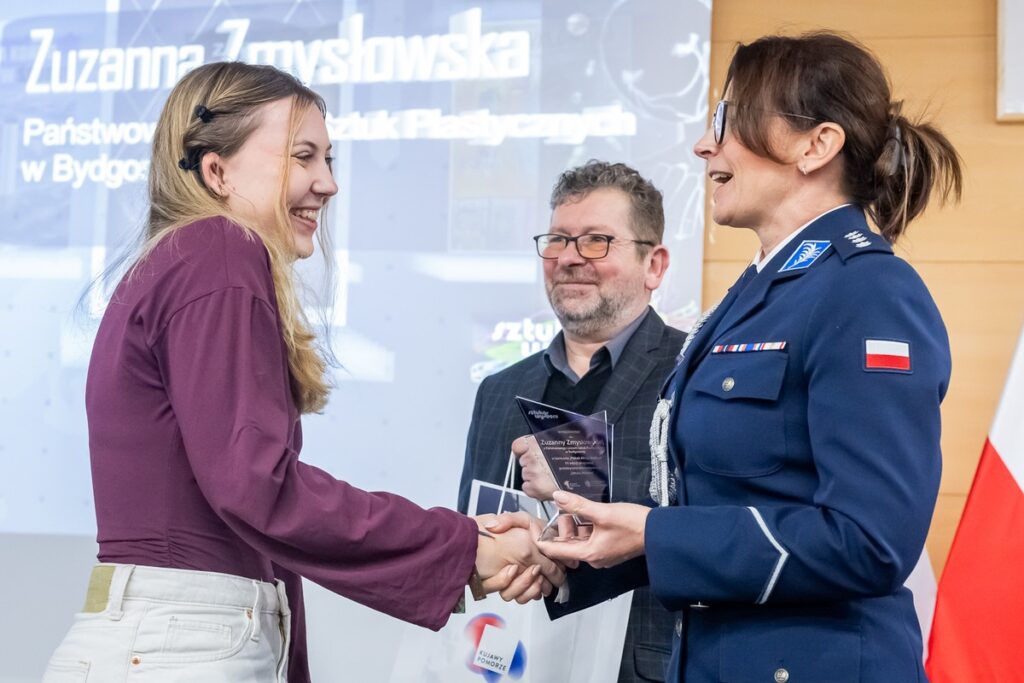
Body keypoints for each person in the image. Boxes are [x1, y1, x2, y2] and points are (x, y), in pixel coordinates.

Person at [42, 62, 560, 683]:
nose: (328, 184)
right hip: (179, 646)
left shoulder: (179, 261)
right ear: (217, 171)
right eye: (303, 157)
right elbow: (258, 485)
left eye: (329, 160)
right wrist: (462, 545)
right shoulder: (220, 252)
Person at [492, 31, 962, 682]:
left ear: (816, 144)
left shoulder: (868, 292)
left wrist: (655, 535)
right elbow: (726, 504)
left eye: (727, 119)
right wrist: (574, 554)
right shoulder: (759, 294)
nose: (703, 144)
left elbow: (868, 541)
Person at [458, 161, 684, 682]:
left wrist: (576, 468)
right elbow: (475, 526)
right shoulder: (498, 391)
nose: (570, 258)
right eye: (558, 239)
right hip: (510, 661)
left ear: (655, 265)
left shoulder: (695, 374)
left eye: (597, 241)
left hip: (643, 667)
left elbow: (711, 521)